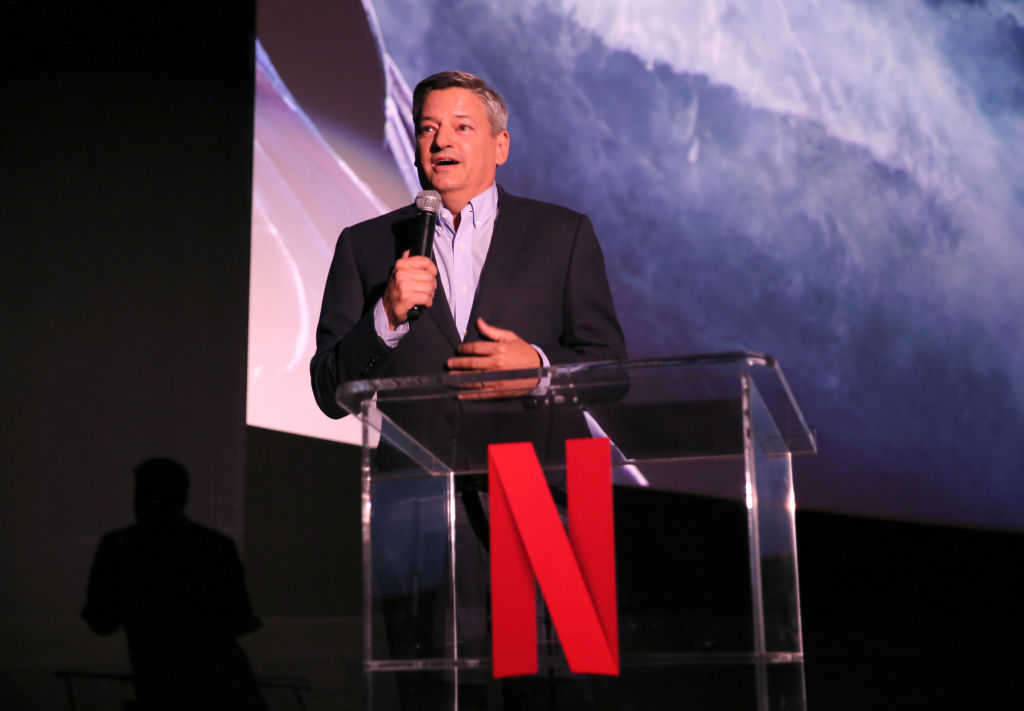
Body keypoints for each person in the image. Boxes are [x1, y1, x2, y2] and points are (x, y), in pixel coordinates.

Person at [310, 70, 626, 420]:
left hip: (526, 470)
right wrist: (385, 316)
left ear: (500, 146)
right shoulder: (363, 245)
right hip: (418, 473)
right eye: (428, 128)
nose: (441, 141)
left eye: (462, 127)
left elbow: (611, 372)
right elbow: (328, 391)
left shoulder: (563, 235)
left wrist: (539, 368)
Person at [82, 457, 267, 711]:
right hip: (224, 682)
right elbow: (241, 618)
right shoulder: (216, 546)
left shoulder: (118, 546)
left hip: (157, 683)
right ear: (182, 495)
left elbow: (101, 622)